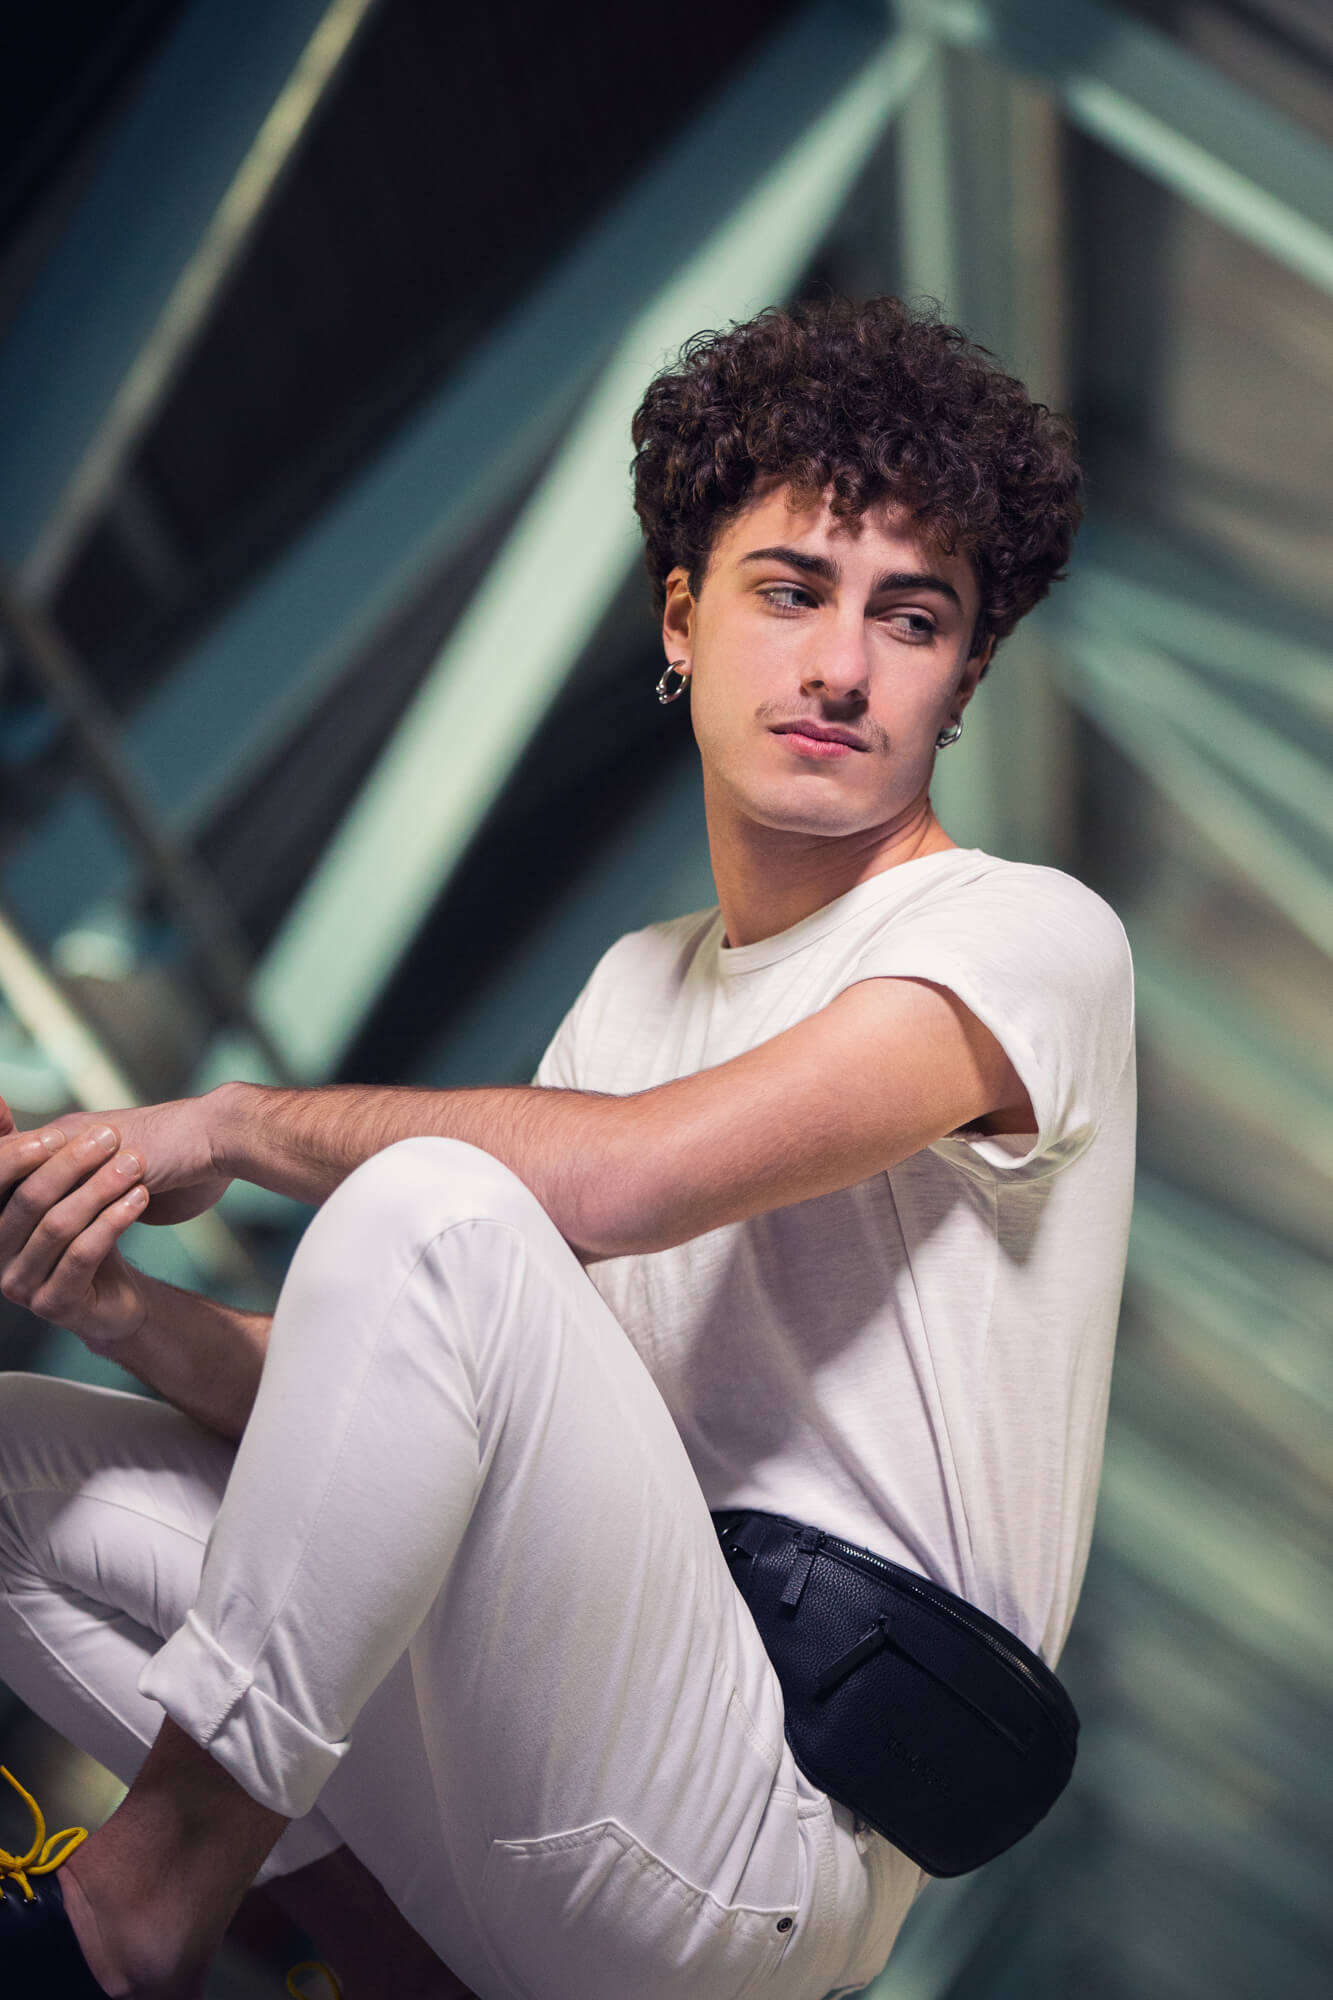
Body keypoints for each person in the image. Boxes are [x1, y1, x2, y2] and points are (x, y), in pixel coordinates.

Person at [0, 294, 1134, 2000]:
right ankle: (400, 1975)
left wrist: (231, 1125)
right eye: (789, 591)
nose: (841, 666)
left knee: (435, 1205)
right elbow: (390, 1413)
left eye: (911, 619)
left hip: (763, 1843)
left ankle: (131, 1912)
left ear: (961, 679)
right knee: (17, 1461)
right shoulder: (633, 990)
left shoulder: (1025, 936)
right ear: (679, 617)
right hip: (566, 1750)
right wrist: (110, 1298)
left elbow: (612, 1185)